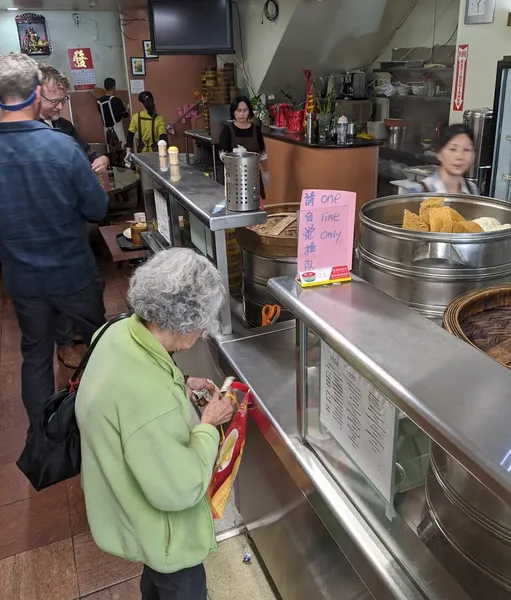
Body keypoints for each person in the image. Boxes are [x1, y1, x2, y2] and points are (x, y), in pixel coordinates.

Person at [76, 248, 235, 600]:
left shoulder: (116, 331)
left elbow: (139, 381)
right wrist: (209, 425)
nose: (200, 335)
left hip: (122, 496)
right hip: (162, 529)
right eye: (201, 326)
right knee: (179, 581)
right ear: (188, 324)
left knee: (155, 580)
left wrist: (182, 381)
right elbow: (180, 490)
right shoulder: (150, 400)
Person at [0, 53, 108, 424]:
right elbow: (97, 210)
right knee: (100, 343)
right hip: (73, 274)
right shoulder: (61, 147)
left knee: (35, 356)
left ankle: (44, 435)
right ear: (33, 94)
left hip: (23, 280)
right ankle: (101, 420)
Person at [39, 64, 110, 369]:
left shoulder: (64, 127)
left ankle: (90, 333)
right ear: (35, 94)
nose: (58, 107)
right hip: (50, 225)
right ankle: (65, 343)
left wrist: (100, 158)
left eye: (61, 101)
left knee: (90, 280)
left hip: (75, 216)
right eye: (53, 101)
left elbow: (87, 152)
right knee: (60, 288)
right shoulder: (30, 132)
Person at [219, 95, 269, 198]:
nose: (242, 114)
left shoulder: (256, 129)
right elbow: (222, 154)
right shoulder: (228, 129)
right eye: (238, 110)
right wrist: (236, 155)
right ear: (233, 112)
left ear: (249, 111)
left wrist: (266, 171)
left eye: (245, 110)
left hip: (253, 177)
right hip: (234, 178)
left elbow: (262, 154)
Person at [408, 124, 479, 195]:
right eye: (453, 149)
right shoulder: (419, 191)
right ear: (439, 153)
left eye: (467, 149)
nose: (460, 156)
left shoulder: (472, 190)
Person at [126, 91, 167, 159]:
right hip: (156, 152)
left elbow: (130, 135)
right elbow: (163, 137)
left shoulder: (136, 117)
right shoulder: (159, 118)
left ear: (141, 103)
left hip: (142, 153)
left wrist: (128, 153)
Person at [97, 77, 129, 163]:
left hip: (106, 130)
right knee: (121, 149)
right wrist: (126, 108)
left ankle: (113, 170)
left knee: (111, 150)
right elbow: (125, 115)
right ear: (114, 87)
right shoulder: (117, 100)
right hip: (117, 128)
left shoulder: (99, 101)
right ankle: (122, 168)